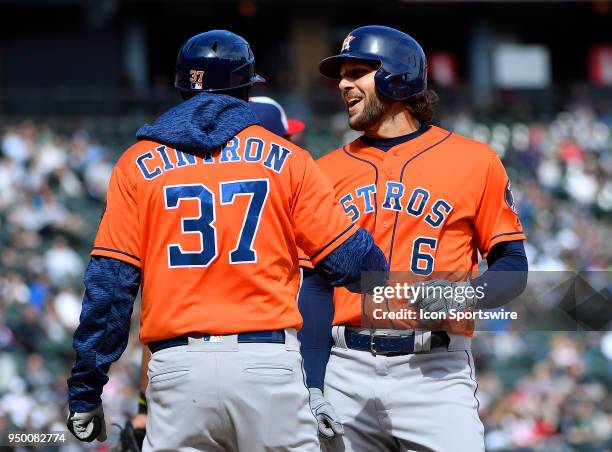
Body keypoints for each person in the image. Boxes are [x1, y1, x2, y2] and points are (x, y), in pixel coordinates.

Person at [66, 29, 387, 452]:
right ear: (246, 89)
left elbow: (109, 289)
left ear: (181, 87)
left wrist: (86, 390)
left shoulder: (135, 164)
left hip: (177, 370)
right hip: (267, 363)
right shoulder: (287, 160)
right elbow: (355, 265)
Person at [298, 25, 528, 452]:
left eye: (358, 71)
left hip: (436, 370)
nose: (344, 84)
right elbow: (313, 284)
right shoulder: (322, 172)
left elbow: (512, 266)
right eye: (342, 75)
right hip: (345, 369)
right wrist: (312, 383)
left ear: (397, 76)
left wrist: (464, 298)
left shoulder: (474, 162)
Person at [127, 95, 309, 447]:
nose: (292, 144)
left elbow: (157, 323)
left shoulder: (167, 197)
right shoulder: (293, 211)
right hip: (272, 371)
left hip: (181, 374)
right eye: (285, 138)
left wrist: (143, 405)